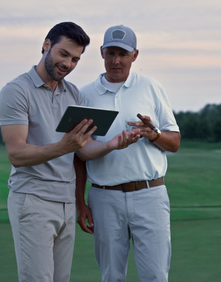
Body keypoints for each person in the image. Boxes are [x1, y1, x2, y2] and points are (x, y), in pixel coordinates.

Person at [0, 22, 139, 282]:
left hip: (66, 203)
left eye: (75, 59)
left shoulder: (73, 93)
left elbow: (82, 152)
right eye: (63, 54)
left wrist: (112, 144)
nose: (68, 64)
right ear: (46, 45)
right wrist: (65, 146)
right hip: (33, 199)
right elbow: (16, 153)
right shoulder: (16, 91)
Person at [75, 24, 181, 282]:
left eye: (123, 54)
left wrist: (153, 133)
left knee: (156, 276)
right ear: (101, 53)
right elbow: (77, 154)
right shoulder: (84, 95)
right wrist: (80, 202)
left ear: (135, 55)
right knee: (111, 277)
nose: (116, 60)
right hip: (104, 197)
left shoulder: (151, 88)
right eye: (110, 53)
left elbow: (175, 141)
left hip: (150, 194)